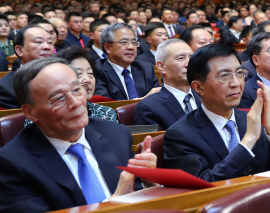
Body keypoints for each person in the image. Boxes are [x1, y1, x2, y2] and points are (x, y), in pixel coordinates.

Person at [0, 57, 157, 212]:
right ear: (30, 112)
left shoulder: (115, 134)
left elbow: (132, 191)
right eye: (59, 98)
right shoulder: (13, 164)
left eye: (77, 90)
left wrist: (148, 183)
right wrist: (113, 206)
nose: (76, 103)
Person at [163, 44, 270, 181]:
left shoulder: (254, 120)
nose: (236, 83)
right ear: (198, 87)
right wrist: (248, 140)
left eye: (240, 74)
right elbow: (204, 187)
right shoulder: (180, 135)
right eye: (224, 76)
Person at [26, 47, 117, 125]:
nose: (87, 80)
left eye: (90, 73)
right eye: (79, 73)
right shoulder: (41, 115)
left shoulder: (105, 112)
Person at [134, 39, 200, 130]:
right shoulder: (148, 107)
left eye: (191, 58)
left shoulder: (206, 98)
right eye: (181, 58)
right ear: (161, 66)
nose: (189, 64)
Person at [94, 23, 160, 100]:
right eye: (124, 42)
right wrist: (143, 100)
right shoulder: (97, 70)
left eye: (133, 42)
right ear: (108, 47)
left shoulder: (146, 68)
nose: (131, 47)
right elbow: (105, 106)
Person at [0, 25, 53, 109]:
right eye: (39, 42)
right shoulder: (5, 87)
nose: (47, 47)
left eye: (50, 42)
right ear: (19, 50)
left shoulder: (62, 76)